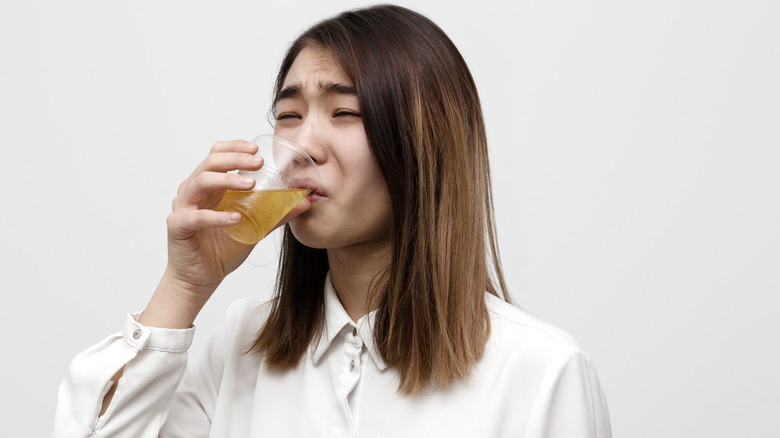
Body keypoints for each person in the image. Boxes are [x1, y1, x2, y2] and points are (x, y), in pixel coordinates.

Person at [52, 5, 611, 437]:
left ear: (426, 145)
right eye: (288, 117)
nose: (300, 146)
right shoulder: (241, 350)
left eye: (344, 113)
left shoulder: (540, 371)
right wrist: (184, 287)